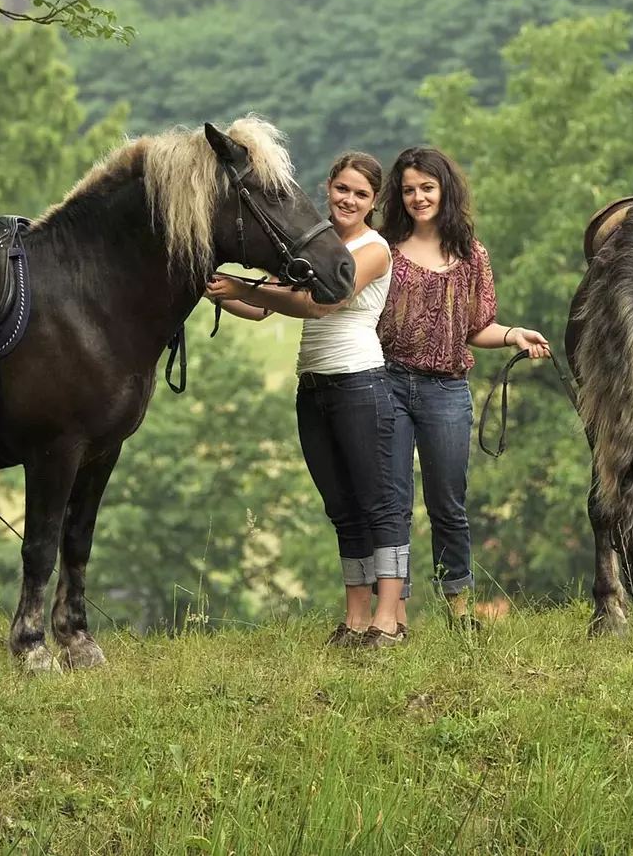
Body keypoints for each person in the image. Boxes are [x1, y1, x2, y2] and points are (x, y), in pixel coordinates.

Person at [206, 151, 408, 648]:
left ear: (374, 202)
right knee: (341, 506)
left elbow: (322, 305)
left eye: (361, 194)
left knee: (379, 504)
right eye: (342, 189)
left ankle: (389, 619)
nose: (349, 200)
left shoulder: (373, 249)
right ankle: (356, 617)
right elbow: (258, 310)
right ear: (328, 187)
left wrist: (243, 285)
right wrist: (213, 287)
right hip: (314, 387)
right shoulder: (311, 247)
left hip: (359, 381)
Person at [378, 146, 550, 629]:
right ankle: (394, 616)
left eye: (427, 188)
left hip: (447, 390)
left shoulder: (471, 254)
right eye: (409, 189)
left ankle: (459, 612)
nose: (418, 197)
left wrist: (513, 334)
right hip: (387, 383)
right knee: (392, 503)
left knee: (448, 504)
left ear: (445, 189)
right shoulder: (383, 248)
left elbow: (478, 327)